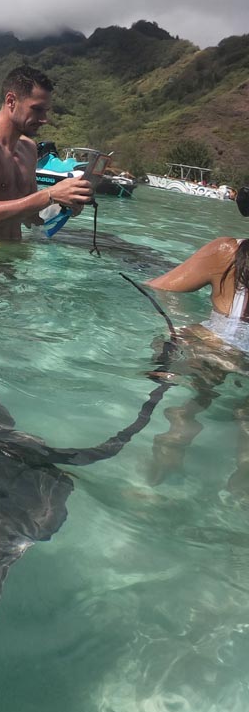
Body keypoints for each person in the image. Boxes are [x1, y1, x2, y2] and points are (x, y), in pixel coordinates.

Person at [144, 189, 249, 494]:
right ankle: (236, 501)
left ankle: (153, 487)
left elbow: (158, 289)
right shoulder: (228, 255)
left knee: (188, 410)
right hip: (220, 353)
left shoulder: (227, 253)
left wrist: (180, 329)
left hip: (212, 352)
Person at [0, 65, 93, 241]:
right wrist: (50, 194)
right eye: (37, 109)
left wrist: (64, 205)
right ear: (11, 101)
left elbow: (30, 219)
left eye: (46, 111)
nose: (44, 119)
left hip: (17, 253)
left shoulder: (28, 148)